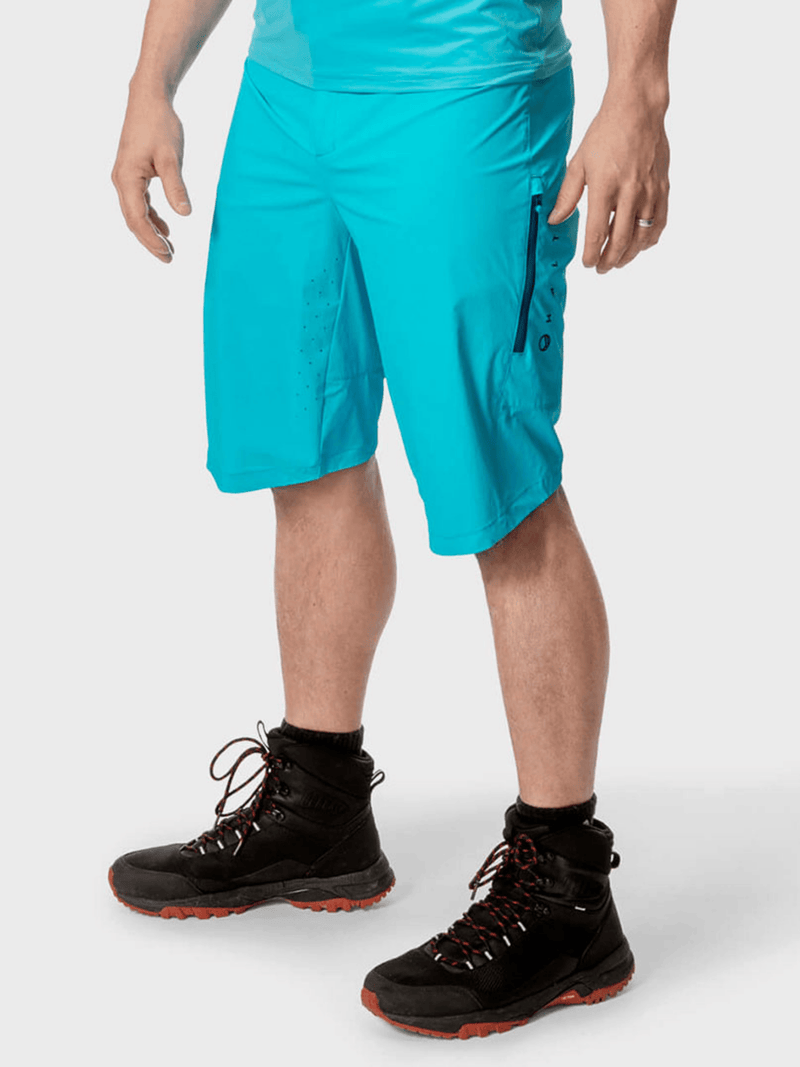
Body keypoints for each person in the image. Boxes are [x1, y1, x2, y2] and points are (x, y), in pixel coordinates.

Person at [109, 0, 675, 1041]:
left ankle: (564, 890)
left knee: (498, 487)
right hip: (287, 93)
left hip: (465, 90)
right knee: (304, 450)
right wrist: (153, 80)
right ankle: (319, 804)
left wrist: (636, 92)